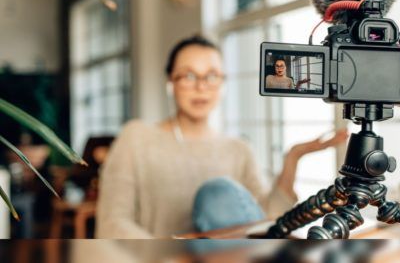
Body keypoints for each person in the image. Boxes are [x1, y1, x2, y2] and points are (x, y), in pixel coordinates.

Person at [96, 35, 348, 238]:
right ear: (170, 82)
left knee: (219, 193)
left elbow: (268, 221)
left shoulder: (238, 149)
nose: (201, 86)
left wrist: (293, 157)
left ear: (223, 85)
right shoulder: (137, 138)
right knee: (217, 192)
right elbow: (112, 224)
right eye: (188, 75)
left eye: (212, 76)